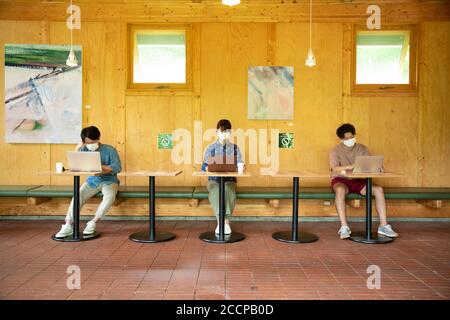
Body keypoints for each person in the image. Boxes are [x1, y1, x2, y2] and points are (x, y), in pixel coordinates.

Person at [329, 123, 399, 239]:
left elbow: (368, 166)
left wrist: (377, 168)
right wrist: (350, 166)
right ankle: (344, 226)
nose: (349, 140)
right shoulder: (335, 150)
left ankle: (383, 225)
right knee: (340, 190)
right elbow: (334, 168)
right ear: (341, 139)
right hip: (341, 180)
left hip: (359, 180)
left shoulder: (362, 148)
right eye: (346, 138)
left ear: (354, 135)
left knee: (378, 189)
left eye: (351, 137)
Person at [55, 126, 122, 238]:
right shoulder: (84, 149)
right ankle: (68, 224)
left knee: (109, 197)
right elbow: (75, 165)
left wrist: (101, 168)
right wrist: (77, 148)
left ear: (98, 138)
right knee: (78, 194)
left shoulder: (110, 150)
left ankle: (93, 222)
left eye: (92, 142)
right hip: (92, 181)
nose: (90, 144)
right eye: (87, 142)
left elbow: (117, 167)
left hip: (109, 180)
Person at [202, 119, 244, 235]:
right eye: (222, 131)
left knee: (227, 190)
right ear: (217, 132)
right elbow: (204, 166)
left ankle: (226, 222)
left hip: (230, 181)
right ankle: (221, 222)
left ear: (230, 133)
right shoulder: (210, 148)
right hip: (214, 180)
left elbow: (240, 164)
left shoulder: (236, 148)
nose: (224, 134)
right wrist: (207, 168)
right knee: (216, 190)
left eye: (227, 132)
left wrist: (241, 168)